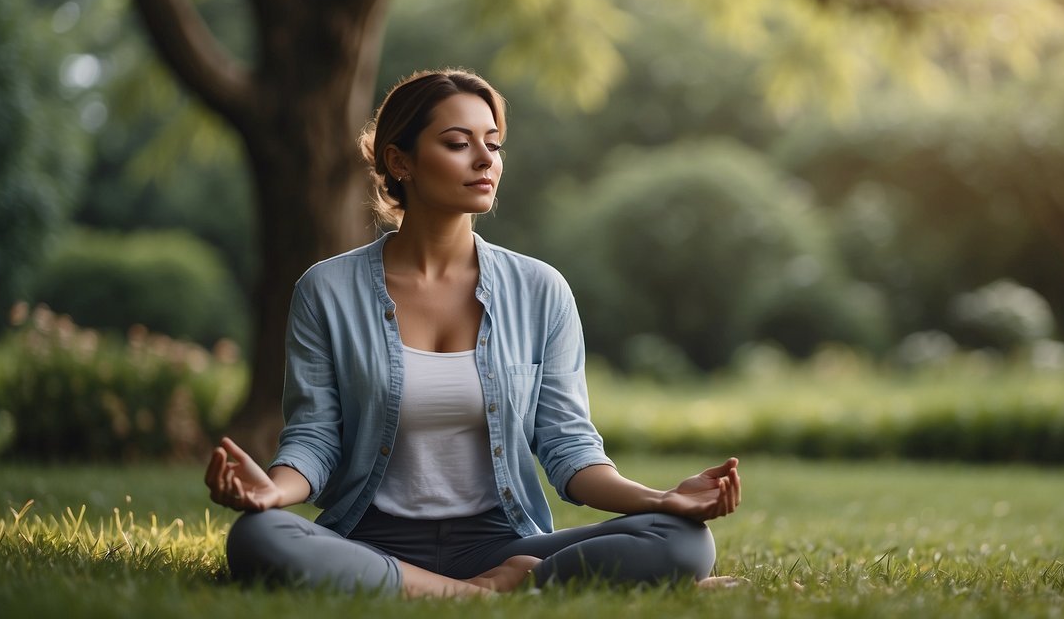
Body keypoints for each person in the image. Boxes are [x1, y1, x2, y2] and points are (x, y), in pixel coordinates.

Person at [204, 68, 742, 597]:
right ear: (400, 161)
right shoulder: (326, 290)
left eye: (494, 143)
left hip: (501, 541)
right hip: (369, 539)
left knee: (683, 541)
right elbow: (315, 438)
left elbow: (568, 447)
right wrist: (272, 492)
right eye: (459, 143)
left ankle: (446, 586)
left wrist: (661, 499)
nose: (486, 159)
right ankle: (475, 594)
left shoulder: (541, 290)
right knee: (259, 535)